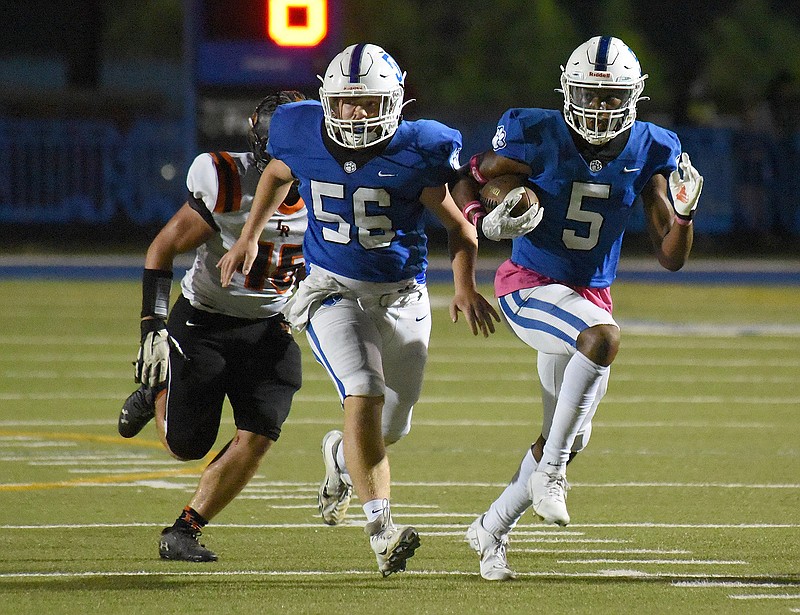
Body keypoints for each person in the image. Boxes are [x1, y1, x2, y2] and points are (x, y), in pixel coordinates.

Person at [218, 43, 499, 576]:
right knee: (364, 391)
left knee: (392, 426)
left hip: (402, 296)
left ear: (394, 103)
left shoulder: (422, 148)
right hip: (331, 290)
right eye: (346, 103)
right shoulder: (299, 129)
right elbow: (277, 172)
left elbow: (460, 228)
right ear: (328, 100)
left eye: (369, 103)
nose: (356, 114)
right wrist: (249, 235)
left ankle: (339, 459)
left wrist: (463, 286)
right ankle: (381, 531)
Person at [450, 36, 704, 581]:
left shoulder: (649, 146)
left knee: (571, 432)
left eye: (612, 98)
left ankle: (491, 529)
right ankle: (552, 475)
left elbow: (671, 258)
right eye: (590, 95)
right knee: (603, 340)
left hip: (588, 294)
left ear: (633, 99)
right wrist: (485, 211)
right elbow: (471, 176)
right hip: (529, 284)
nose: (601, 109)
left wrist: (683, 216)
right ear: (568, 92)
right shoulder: (536, 130)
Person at [117, 91, 308, 562]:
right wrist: (153, 327)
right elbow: (163, 248)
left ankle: (184, 529)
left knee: (261, 431)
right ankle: (155, 393)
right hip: (204, 320)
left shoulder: (333, 188)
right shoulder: (227, 180)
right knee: (186, 445)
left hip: (268, 326)